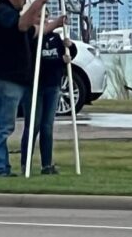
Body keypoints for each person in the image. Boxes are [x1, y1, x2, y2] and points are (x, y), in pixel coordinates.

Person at [0, 0, 55, 177]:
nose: (25, 3)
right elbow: (22, 25)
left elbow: (34, 31)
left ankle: (1, 166)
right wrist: (39, 2)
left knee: (5, 124)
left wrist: (55, 24)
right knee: (2, 125)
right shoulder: (2, 12)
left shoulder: (12, 16)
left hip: (14, 80)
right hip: (3, 79)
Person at [20, 13, 77, 175]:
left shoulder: (55, 38)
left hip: (52, 86)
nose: (43, 21)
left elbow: (67, 54)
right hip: (34, 87)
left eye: (45, 18)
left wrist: (69, 49)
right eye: (39, 18)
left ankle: (46, 165)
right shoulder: (30, 38)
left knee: (47, 126)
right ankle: (26, 164)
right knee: (33, 125)